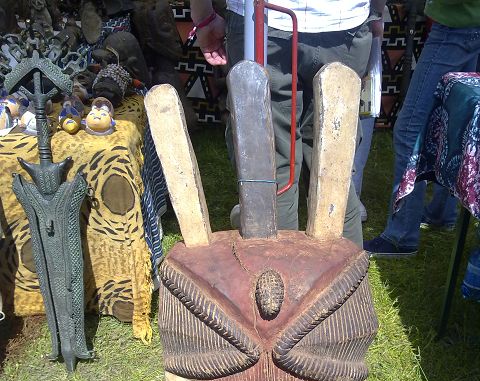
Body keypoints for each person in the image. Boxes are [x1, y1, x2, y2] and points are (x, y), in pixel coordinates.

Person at [190, 0, 386, 248]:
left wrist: (204, 18)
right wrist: (376, 12)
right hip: (339, 23)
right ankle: (339, 270)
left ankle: (279, 267)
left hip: (266, 22)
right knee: (333, 169)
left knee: (273, 168)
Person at [364, 0, 480, 257]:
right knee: (453, 123)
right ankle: (442, 213)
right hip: (467, 24)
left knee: (409, 131)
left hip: (453, 27)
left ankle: (401, 236)